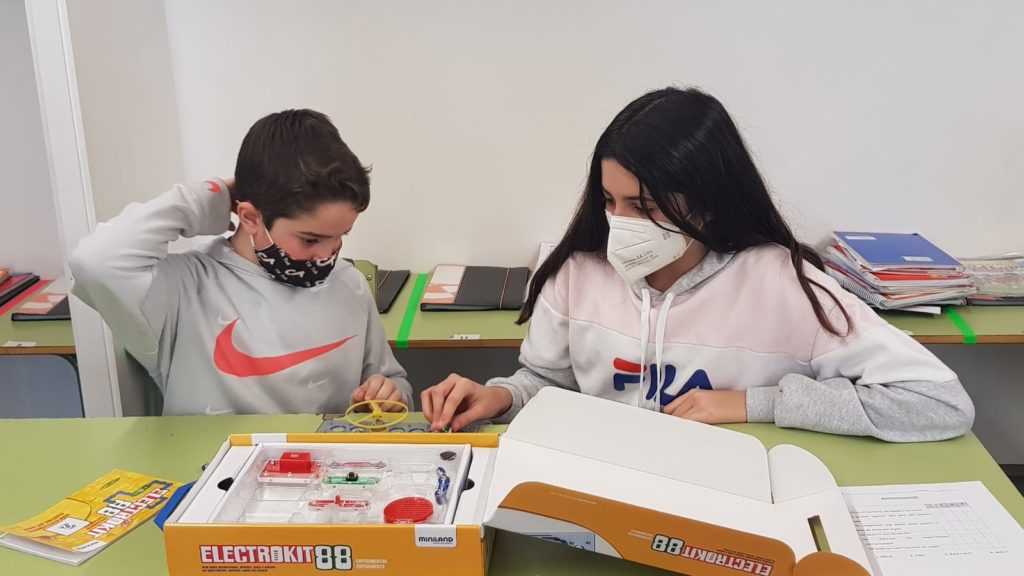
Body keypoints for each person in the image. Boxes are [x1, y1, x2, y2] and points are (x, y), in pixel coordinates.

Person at [421, 87, 973, 442]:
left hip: (729, 501)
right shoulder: (579, 271)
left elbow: (937, 402)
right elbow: (548, 380)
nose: (619, 223)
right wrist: (501, 396)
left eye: (644, 207)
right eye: (609, 201)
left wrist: (754, 403)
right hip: (601, 492)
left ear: (708, 202)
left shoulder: (783, 284)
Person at [70, 109, 410, 415]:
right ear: (249, 217)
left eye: (340, 236)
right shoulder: (183, 290)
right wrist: (215, 197)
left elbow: (393, 383)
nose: (327, 254)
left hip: (325, 462)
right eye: (310, 239)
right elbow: (94, 260)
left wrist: (391, 393)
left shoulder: (348, 282)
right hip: (212, 463)